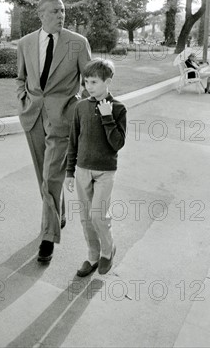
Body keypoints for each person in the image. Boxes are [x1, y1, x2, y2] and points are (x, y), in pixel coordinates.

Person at [16, 0, 92, 263]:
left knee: (51, 176)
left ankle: (47, 238)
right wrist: (22, 99)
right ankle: (57, 213)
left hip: (63, 118)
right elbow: (21, 78)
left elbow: (90, 79)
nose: (61, 15)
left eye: (63, 10)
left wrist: (81, 107)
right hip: (33, 117)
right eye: (55, 11)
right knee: (42, 175)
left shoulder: (77, 43)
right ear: (41, 14)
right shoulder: (25, 43)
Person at [65, 58, 127, 276]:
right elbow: (73, 140)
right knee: (85, 217)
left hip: (105, 171)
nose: (88, 87)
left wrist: (107, 117)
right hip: (82, 169)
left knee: (98, 216)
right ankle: (93, 255)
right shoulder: (81, 106)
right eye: (86, 82)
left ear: (107, 81)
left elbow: (117, 143)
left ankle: (108, 251)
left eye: (93, 82)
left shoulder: (118, 108)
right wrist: (69, 172)